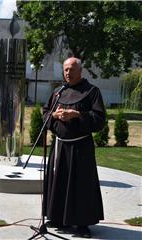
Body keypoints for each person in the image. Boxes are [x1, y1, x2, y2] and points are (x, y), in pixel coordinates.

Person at [42, 57, 105, 238]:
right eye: (65, 69)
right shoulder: (59, 92)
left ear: (80, 71)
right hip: (60, 146)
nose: (67, 73)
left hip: (81, 148)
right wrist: (54, 115)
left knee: (80, 185)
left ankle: (82, 223)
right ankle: (57, 217)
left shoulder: (92, 92)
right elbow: (45, 113)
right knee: (58, 183)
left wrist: (76, 114)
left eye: (71, 69)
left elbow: (99, 119)